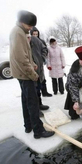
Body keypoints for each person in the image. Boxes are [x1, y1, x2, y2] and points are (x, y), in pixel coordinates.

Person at [9, 10, 54, 139]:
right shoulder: (18, 33)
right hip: (25, 74)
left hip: (22, 73)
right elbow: (21, 58)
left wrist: (32, 62)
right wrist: (33, 73)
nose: (31, 28)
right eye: (29, 26)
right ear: (23, 22)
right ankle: (38, 130)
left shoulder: (19, 31)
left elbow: (24, 55)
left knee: (25, 100)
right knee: (33, 102)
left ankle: (28, 125)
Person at [26, 34, 49, 116]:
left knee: (38, 89)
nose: (28, 39)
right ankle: (36, 110)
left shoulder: (35, 40)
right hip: (29, 72)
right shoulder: (21, 43)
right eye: (27, 37)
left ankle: (40, 104)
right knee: (33, 92)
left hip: (39, 70)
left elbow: (44, 48)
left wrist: (42, 58)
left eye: (29, 37)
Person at [30, 26, 52, 97]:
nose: (35, 36)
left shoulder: (41, 41)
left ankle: (44, 92)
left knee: (43, 79)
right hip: (33, 64)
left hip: (40, 62)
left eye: (36, 34)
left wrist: (42, 58)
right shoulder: (30, 41)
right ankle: (37, 96)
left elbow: (45, 50)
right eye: (34, 34)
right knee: (37, 80)